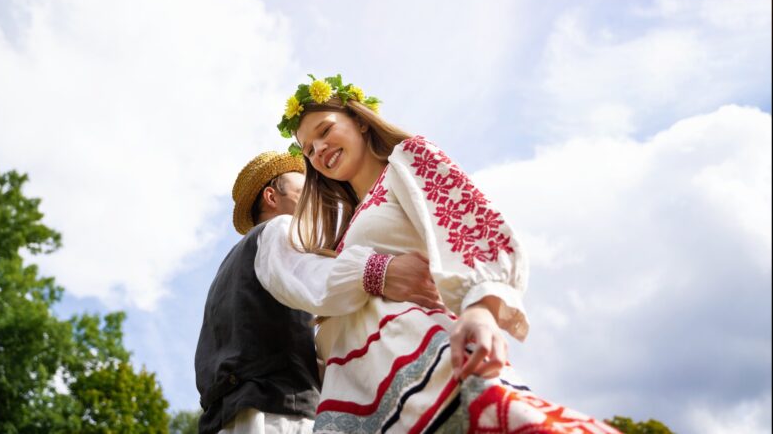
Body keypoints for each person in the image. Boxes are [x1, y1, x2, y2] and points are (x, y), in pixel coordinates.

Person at [256, 75, 622, 433]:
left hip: (429, 365)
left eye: (324, 131)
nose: (318, 150)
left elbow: (471, 224)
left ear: (359, 121)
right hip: (364, 401)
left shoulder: (405, 159)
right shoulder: (347, 232)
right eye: (307, 149)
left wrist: (481, 310)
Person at [195, 151, 441, 434]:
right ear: (272, 197)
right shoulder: (279, 229)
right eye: (303, 192)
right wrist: (383, 270)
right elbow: (313, 278)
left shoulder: (229, 271)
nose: (313, 202)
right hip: (276, 416)